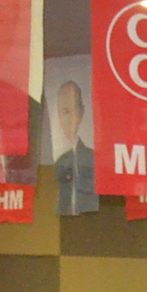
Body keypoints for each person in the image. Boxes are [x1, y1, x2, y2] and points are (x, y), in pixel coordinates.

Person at [49, 78, 94, 216]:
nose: (68, 120)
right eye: (63, 112)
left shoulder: (93, 159)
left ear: (81, 112)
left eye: (71, 111)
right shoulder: (60, 162)